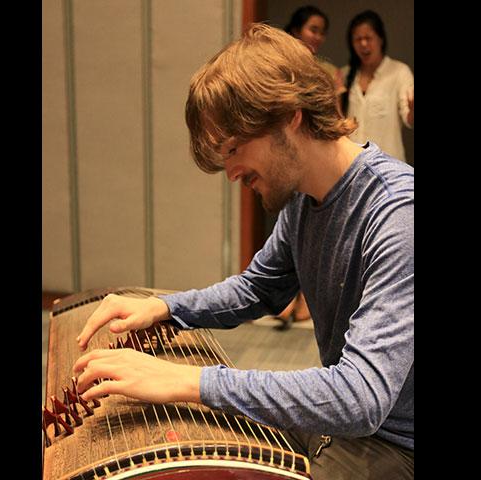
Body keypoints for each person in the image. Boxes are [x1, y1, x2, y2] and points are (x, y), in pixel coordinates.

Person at [73, 23, 414, 480]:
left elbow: (361, 396)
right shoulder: (303, 200)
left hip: (395, 444)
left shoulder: (397, 213)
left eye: (234, 147)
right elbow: (259, 290)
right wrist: (164, 307)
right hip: (344, 425)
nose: (230, 171)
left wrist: (187, 381)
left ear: (290, 117)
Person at [340, 10, 414, 163]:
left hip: (389, 167)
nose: (363, 44)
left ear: (380, 39)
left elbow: (409, 119)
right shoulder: (344, 74)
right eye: (357, 39)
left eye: (368, 38)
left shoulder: (399, 71)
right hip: (352, 167)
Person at [283, 5, 344, 96]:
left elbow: (336, 108)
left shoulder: (329, 71)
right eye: (313, 31)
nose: (318, 37)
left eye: (322, 33)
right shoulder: (280, 63)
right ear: (296, 31)